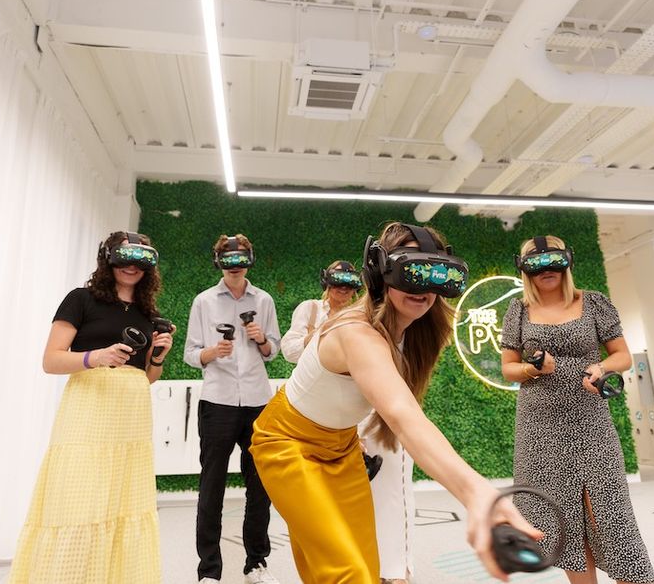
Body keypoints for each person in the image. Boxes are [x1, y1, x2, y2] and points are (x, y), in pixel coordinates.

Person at [250, 222, 542, 583]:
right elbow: (405, 417)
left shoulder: (413, 333)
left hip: (340, 447)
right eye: (411, 271)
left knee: (365, 569)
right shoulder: (355, 331)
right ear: (379, 273)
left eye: (436, 274)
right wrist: (477, 493)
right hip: (287, 446)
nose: (423, 287)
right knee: (348, 573)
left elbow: (397, 408)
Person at [9, 231, 172, 584]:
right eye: (124, 259)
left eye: (140, 262)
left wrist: (158, 357)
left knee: (123, 500)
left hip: (131, 414)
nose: (131, 268)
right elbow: (51, 360)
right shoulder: (80, 300)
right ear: (108, 259)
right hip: (89, 408)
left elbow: (146, 377)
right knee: (77, 499)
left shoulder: (147, 312)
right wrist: (95, 357)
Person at [500, 235, 654, 584]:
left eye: (553, 262)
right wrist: (532, 369)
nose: (547, 271)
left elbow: (623, 355)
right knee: (562, 518)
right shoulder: (518, 311)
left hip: (590, 420)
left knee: (609, 512)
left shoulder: (595, 303)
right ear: (525, 270)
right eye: (536, 265)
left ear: (567, 262)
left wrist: (601, 368)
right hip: (539, 428)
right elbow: (508, 366)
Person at [282, 260, 417, 583]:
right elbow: (289, 350)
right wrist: (327, 333)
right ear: (325, 282)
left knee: (390, 491)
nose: (341, 289)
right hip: (330, 412)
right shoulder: (311, 310)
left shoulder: (370, 315)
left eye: (348, 283)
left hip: (372, 407)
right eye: (335, 282)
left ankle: (396, 571)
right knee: (338, 496)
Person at [183, 234, 283, 584]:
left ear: (249, 261)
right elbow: (190, 353)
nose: (236, 267)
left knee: (260, 486)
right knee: (212, 485)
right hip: (218, 401)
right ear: (220, 263)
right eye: (229, 261)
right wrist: (211, 353)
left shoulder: (264, 300)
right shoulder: (204, 302)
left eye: (241, 261)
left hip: (257, 401)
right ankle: (209, 571)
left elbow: (275, 350)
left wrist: (261, 339)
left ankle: (256, 564)